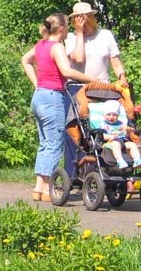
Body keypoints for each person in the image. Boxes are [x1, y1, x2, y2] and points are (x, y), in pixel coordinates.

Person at [21, 13, 98, 202]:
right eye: (68, 27)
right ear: (62, 28)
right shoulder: (57, 47)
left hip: (39, 97)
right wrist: (91, 79)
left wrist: (37, 83)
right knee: (55, 143)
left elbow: (25, 60)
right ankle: (48, 188)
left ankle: (39, 187)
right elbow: (66, 71)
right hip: (52, 98)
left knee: (45, 143)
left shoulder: (41, 45)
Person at [63, 1, 130, 178]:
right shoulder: (70, 38)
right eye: (76, 20)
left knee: (102, 128)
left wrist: (121, 76)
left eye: (83, 19)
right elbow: (77, 59)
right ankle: (73, 173)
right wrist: (79, 34)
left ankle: (104, 169)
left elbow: (115, 61)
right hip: (78, 89)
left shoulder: (105, 35)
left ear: (90, 18)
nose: (80, 23)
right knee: (78, 132)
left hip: (102, 90)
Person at [99, 100, 141, 170]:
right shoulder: (103, 124)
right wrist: (109, 137)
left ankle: (137, 160)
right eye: (108, 114)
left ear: (118, 116)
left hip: (123, 141)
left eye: (114, 115)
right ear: (104, 115)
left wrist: (128, 130)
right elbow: (102, 135)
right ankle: (120, 161)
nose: (111, 117)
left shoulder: (120, 123)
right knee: (116, 145)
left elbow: (126, 135)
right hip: (110, 142)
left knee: (133, 145)